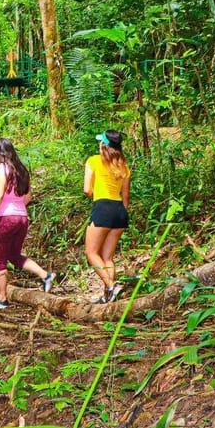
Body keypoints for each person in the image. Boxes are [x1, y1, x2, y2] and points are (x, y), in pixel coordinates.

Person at [0, 138, 55, 310]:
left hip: (5, 218)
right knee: (14, 255)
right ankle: (46, 275)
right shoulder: (22, 170)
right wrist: (16, 206)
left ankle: (1, 299)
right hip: (22, 218)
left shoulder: (2, 169)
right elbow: (28, 197)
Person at [83, 130, 131, 304]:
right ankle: (108, 297)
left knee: (91, 253)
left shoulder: (93, 161)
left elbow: (87, 190)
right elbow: (125, 198)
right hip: (120, 211)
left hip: (103, 208)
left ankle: (112, 286)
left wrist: (101, 200)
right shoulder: (124, 167)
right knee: (108, 257)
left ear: (103, 145)